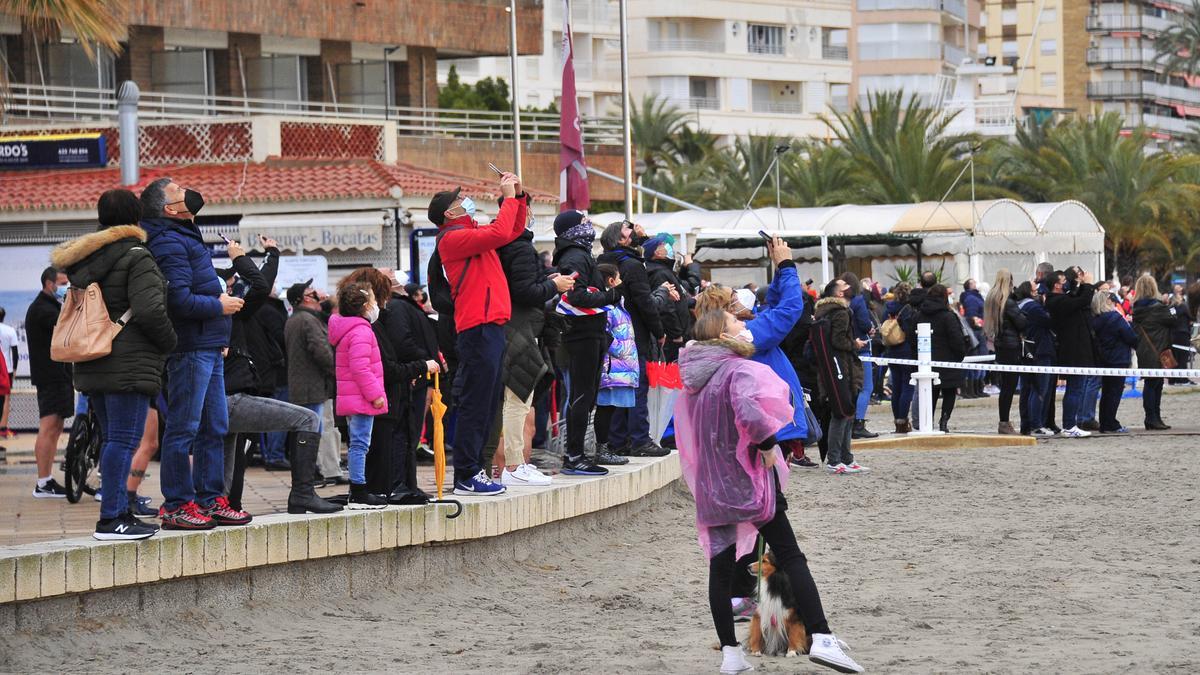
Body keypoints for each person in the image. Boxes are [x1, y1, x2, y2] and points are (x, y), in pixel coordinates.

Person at [676, 309, 864, 675]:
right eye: (736, 324)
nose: (744, 327)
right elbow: (751, 413)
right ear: (722, 335)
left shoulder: (695, 379)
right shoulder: (737, 371)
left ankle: (731, 654)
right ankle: (822, 636)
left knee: (720, 566)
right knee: (791, 555)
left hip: (713, 486)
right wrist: (766, 444)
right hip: (749, 482)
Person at [51, 189, 176, 539]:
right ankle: (112, 519)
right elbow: (150, 310)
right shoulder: (138, 256)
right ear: (136, 218)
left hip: (93, 361)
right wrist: (170, 343)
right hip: (129, 363)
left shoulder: (87, 260)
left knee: (113, 441)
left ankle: (119, 511)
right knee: (123, 441)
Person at [141, 178, 248, 529]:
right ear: (170, 209)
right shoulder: (168, 241)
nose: (188, 192)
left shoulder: (185, 234)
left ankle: (209, 498)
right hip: (191, 347)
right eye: (177, 191)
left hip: (209, 345)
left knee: (214, 426)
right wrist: (219, 305)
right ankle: (176, 503)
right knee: (184, 427)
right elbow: (178, 300)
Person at [220, 240, 340, 516]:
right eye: (229, 284)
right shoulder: (222, 312)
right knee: (308, 419)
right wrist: (240, 257)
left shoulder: (227, 311)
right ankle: (302, 495)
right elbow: (260, 286)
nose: (234, 287)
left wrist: (271, 255)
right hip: (231, 396)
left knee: (234, 456)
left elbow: (260, 283)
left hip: (234, 392)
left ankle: (226, 505)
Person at [429, 174, 527, 495]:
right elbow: (501, 230)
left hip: (490, 325)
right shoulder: (451, 239)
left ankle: (476, 471)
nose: (464, 203)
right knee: (475, 402)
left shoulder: (469, 233)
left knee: (487, 402)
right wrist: (508, 198)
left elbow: (511, 231)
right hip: (477, 327)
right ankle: (467, 474)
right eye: (457, 202)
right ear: (448, 213)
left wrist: (519, 198)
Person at [695, 238, 817, 472]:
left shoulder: (734, 334)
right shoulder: (745, 337)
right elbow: (789, 308)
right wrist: (788, 266)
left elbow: (774, 305)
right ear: (726, 312)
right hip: (768, 427)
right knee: (771, 497)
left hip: (759, 427)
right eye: (735, 298)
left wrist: (780, 269)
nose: (741, 299)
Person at [496, 198, 570, 485]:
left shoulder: (506, 246)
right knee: (517, 401)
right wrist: (554, 285)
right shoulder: (519, 247)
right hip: (519, 330)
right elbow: (525, 291)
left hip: (513, 328)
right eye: (526, 210)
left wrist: (547, 278)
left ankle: (514, 465)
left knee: (517, 402)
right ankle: (514, 467)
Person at [552, 210, 621, 476]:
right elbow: (576, 296)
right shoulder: (574, 256)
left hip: (589, 333)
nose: (588, 226)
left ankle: (578, 454)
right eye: (583, 222)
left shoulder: (579, 253)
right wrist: (610, 296)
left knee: (587, 396)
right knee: (581, 396)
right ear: (572, 230)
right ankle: (574, 456)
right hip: (580, 335)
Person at [597, 221, 667, 459]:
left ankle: (617, 441)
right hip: (632, 336)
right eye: (629, 230)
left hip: (609, 335)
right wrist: (659, 331)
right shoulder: (633, 265)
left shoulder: (603, 262)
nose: (635, 231)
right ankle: (639, 439)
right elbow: (644, 302)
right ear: (620, 239)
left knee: (617, 387)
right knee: (636, 387)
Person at [328, 282, 389, 509]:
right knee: (360, 444)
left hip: (352, 396)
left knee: (357, 443)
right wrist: (375, 395)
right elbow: (360, 367)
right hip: (362, 398)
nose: (376, 305)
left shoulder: (346, 328)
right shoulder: (361, 331)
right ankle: (359, 491)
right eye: (373, 301)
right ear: (364, 306)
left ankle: (358, 489)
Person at [383, 276, 441, 501]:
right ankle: (400, 485)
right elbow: (402, 342)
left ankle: (408, 484)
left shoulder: (401, 306)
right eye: (391, 276)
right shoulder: (398, 307)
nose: (397, 278)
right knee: (405, 434)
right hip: (411, 375)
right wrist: (422, 361)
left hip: (415, 374)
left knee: (411, 434)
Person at [284, 280, 344, 485]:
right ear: (305, 298)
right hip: (312, 385)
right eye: (311, 290)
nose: (317, 292)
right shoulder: (308, 320)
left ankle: (309, 475)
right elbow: (321, 351)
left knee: (308, 430)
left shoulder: (298, 318)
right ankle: (310, 476)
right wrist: (337, 370)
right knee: (312, 432)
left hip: (305, 384)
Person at [25, 266, 72, 498]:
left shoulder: (50, 305)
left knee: (55, 427)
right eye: (63, 283)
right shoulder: (43, 309)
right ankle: (43, 482)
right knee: (48, 426)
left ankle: (47, 478)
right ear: (49, 283)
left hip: (58, 375)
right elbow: (67, 326)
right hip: (50, 376)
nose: (66, 287)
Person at [812, 278, 866, 472]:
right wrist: (855, 344)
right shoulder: (841, 312)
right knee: (842, 413)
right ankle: (836, 460)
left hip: (829, 369)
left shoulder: (823, 312)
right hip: (842, 368)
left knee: (844, 412)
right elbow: (838, 341)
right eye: (845, 285)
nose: (850, 286)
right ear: (839, 293)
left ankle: (845, 458)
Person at [591, 263, 640, 461]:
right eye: (619, 278)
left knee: (611, 409)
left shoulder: (617, 304)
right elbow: (605, 334)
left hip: (621, 365)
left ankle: (607, 448)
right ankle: (602, 450)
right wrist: (621, 350)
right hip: (613, 366)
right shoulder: (608, 307)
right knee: (605, 408)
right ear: (611, 281)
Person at [1045, 268, 1096, 438]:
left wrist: (1079, 282)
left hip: (1076, 349)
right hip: (1072, 350)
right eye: (1063, 280)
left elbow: (1076, 296)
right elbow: (1080, 301)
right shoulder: (1056, 301)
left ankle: (1070, 424)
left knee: (1077, 388)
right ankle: (1069, 425)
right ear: (1057, 285)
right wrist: (1088, 285)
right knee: (1074, 388)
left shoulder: (1062, 297)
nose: (1066, 282)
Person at [915, 284, 968, 433]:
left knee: (929, 393)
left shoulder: (920, 315)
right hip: (948, 362)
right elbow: (957, 339)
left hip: (926, 362)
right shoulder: (948, 316)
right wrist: (960, 355)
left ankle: (928, 422)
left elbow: (913, 338)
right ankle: (944, 421)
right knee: (949, 393)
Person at [251, 281, 292, 471]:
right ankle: (274, 455)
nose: (277, 286)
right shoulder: (269, 311)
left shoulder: (259, 309)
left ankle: (270, 454)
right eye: (274, 283)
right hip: (276, 371)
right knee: (278, 413)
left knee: (268, 415)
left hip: (267, 370)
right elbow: (282, 338)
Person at [982, 269, 1026, 435]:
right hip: (1011, 345)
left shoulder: (992, 298)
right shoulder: (1008, 301)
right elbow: (1021, 323)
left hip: (1000, 344)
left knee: (1005, 386)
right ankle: (1004, 422)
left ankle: (1004, 420)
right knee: (1009, 386)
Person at [1131, 274, 1177, 431]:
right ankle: (1153, 418)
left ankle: (1153, 418)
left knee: (1152, 384)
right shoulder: (1158, 308)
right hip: (1158, 350)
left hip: (1144, 350)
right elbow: (1173, 318)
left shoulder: (1137, 308)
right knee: (1155, 385)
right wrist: (1172, 304)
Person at [1091, 290, 1137, 434]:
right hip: (1118, 359)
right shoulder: (1115, 318)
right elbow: (1130, 337)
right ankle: (1111, 422)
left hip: (1103, 359)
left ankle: (1105, 422)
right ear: (1108, 302)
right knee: (1115, 392)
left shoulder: (1095, 319)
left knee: (1106, 392)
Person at [1015, 281, 1056, 436]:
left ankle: (1027, 424)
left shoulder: (1021, 305)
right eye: (1035, 290)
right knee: (1039, 388)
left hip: (1029, 349)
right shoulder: (1033, 307)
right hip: (1039, 350)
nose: (1038, 293)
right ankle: (1036, 425)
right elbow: (1050, 321)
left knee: (1028, 389)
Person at [644, 236, 693, 362]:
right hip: (673, 337)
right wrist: (676, 333)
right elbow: (666, 307)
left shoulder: (664, 270)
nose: (668, 248)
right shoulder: (659, 273)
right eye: (664, 245)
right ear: (657, 253)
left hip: (677, 333)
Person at [883, 283, 915, 434]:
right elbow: (909, 330)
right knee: (907, 387)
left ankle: (897, 421)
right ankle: (902, 420)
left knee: (896, 387)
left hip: (892, 350)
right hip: (906, 350)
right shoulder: (908, 309)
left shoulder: (889, 307)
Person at [959, 279, 987, 399]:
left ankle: (978, 388)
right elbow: (972, 317)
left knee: (981, 359)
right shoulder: (971, 298)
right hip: (975, 332)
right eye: (974, 282)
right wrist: (980, 323)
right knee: (975, 360)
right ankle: (971, 389)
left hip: (979, 331)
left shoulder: (976, 297)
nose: (977, 283)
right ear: (970, 286)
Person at [0, 308, 17, 438]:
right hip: (7, 370)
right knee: (5, 399)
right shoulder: (9, 330)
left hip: (5, 368)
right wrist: (15, 371)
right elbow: (15, 353)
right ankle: (3, 429)